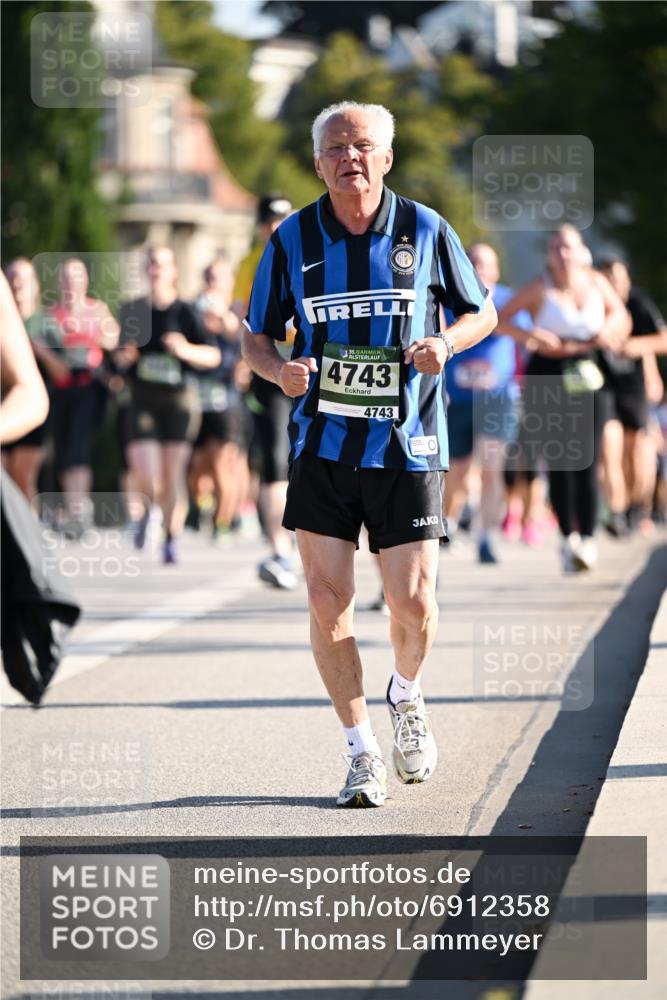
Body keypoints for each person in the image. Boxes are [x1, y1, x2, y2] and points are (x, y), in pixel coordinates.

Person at [242, 102, 497, 808]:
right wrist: (277, 371)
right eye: (334, 148)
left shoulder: (424, 228)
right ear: (317, 163)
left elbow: (482, 311)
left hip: (410, 443)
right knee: (327, 600)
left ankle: (406, 695)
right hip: (322, 443)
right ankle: (360, 752)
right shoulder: (291, 240)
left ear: (385, 157)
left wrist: (445, 343)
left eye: (361, 146)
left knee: (411, 602)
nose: (348, 157)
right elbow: (256, 336)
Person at [496, 226, 630, 573]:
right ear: (549, 254)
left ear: (580, 250)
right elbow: (499, 320)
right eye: (556, 248)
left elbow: (622, 316)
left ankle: (587, 536)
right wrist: (531, 335)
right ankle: (567, 537)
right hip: (548, 371)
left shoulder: (596, 282)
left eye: (568, 247)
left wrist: (608, 332)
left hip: (589, 368)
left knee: (588, 455)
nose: (563, 254)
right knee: (558, 457)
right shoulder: (539, 286)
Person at [116, 246, 220, 564]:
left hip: (179, 401)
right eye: (150, 264)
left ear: (173, 271)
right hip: (143, 399)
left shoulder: (185, 311)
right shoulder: (133, 310)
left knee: (173, 472)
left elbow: (213, 356)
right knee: (148, 473)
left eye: (162, 264)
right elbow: (119, 358)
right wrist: (124, 354)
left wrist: (185, 350)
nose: (155, 269)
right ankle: (149, 513)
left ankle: (171, 537)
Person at [444, 243, 530, 563]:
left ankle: (486, 536)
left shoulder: (508, 299)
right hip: (458, 397)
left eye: (485, 263)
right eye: (473, 261)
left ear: (495, 270)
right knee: (457, 469)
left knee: (491, 468)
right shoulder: (449, 298)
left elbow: (527, 336)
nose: (479, 267)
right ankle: (449, 523)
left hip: (498, 396)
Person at [233, 195, 299, 589]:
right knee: (276, 460)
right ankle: (280, 551)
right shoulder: (250, 263)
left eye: (283, 219)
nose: (276, 227)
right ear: (260, 225)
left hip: (315, 366)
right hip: (272, 367)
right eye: (270, 221)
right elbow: (243, 316)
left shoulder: (313, 250)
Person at [596, 256, 667, 534]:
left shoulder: (639, 306)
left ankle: (636, 507)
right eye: (609, 279)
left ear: (628, 281)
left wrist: (632, 346)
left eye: (619, 279)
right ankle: (617, 511)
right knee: (610, 450)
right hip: (605, 387)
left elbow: (662, 340)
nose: (615, 285)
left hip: (634, 388)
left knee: (636, 452)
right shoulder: (595, 306)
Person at [48, 258, 119, 531]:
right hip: (61, 389)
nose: (71, 282)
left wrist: (85, 333)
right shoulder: (51, 314)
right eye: (66, 277)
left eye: (76, 277)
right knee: (63, 450)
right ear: (59, 282)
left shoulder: (97, 309)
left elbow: (113, 338)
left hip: (89, 387)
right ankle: (71, 508)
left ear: (85, 281)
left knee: (78, 448)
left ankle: (77, 513)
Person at [190, 257, 250, 540]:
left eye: (220, 276)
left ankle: (224, 521)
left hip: (227, 397)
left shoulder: (236, 311)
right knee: (197, 465)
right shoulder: (194, 308)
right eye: (209, 276)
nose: (213, 282)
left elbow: (245, 340)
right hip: (197, 396)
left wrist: (226, 319)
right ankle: (204, 507)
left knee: (224, 463)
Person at [2, 259, 66, 498]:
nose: (17, 284)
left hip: (30, 412)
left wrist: (39, 351)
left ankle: (27, 531)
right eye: (13, 278)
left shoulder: (45, 324)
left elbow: (62, 372)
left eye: (23, 279)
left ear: (35, 286)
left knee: (22, 479)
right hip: (2, 405)